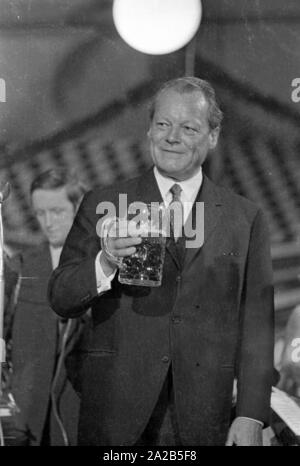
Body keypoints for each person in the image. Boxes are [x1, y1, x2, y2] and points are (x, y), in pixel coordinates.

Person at [48, 77, 275, 446]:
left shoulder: (245, 218)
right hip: (115, 415)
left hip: (202, 418)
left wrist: (251, 413)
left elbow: (258, 327)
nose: (173, 137)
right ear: (149, 130)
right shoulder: (104, 201)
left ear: (213, 137)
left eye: (189, 128)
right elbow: (61, 295)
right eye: (163, 124)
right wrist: (105, 262)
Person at [11, 167, 87, 445]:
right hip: (27, 421)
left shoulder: (99, 269)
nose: (48, 223)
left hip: (75, 420)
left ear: (78, 208)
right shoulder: (23, 267)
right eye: (40, 214)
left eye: (56, 212)